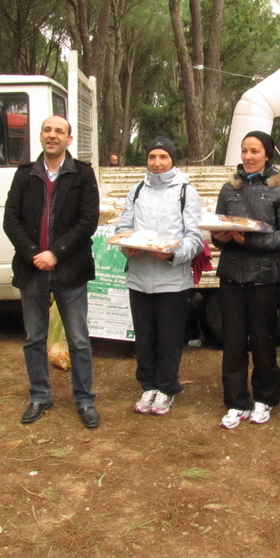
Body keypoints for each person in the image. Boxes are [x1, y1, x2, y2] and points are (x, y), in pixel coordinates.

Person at [3, 115, 101, 428]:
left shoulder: (82, 174)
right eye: (48, 130)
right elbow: (11, 221)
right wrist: (35, 255)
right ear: (41, 136)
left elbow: (88, 222)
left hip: (70, 269)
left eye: (59, 131)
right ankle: (40, 396)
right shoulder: (24, 175)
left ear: (69, 139)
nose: (53, 135)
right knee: (34, 338)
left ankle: (85, 400)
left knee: (79, 340)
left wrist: (55, 254)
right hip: (32, 270)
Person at [211, 131, 280, 429]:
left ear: (267, 154)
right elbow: (218, 228)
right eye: (244, 151)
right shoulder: (229, 188)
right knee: (233, 343)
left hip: (264, 277)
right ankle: (236, 402)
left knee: (263, 342)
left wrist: (251, 242)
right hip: (231, 276)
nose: (248, 157)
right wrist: (220, 237)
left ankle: (265, 398)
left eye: (255, 151)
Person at [115, 137, 204, 415]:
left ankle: (166, 388)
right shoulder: (137, 190)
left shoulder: (186, 192)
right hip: (139, 277)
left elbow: (195, 238)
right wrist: (126, 245)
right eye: (152, 156)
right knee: (144, 336)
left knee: (169, 336)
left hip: (172, 279)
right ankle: (148, 386)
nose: (157, 162)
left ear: (173, 160)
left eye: (163, 157)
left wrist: (171, 254)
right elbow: (123, 226)